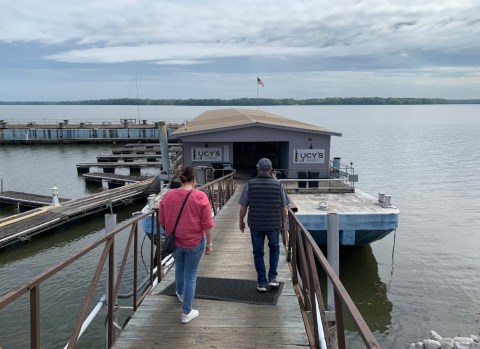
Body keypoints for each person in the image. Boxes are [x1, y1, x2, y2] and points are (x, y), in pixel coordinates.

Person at [158, 166, 215, 323]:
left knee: (179, 268)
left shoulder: (168, 196)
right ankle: (186, 312)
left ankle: (180, 293)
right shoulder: (200, 196)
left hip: (175, 242)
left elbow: (162, 220)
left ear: (180, 179)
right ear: (194, 179)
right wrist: (209, 244)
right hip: (194, 243)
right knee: (191, 274)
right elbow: (207, 224)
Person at [238, 158, 289, 292]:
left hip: (256, 224)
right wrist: (284, 223)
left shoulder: (250, 184)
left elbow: (243, 206)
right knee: (275, 250)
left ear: (258, 170)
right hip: (273, 224)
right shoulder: (278, 185)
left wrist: (241, 221)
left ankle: (261, 282)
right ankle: (272, 278)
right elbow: (284, 208)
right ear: (271, 170)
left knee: (258, 253)